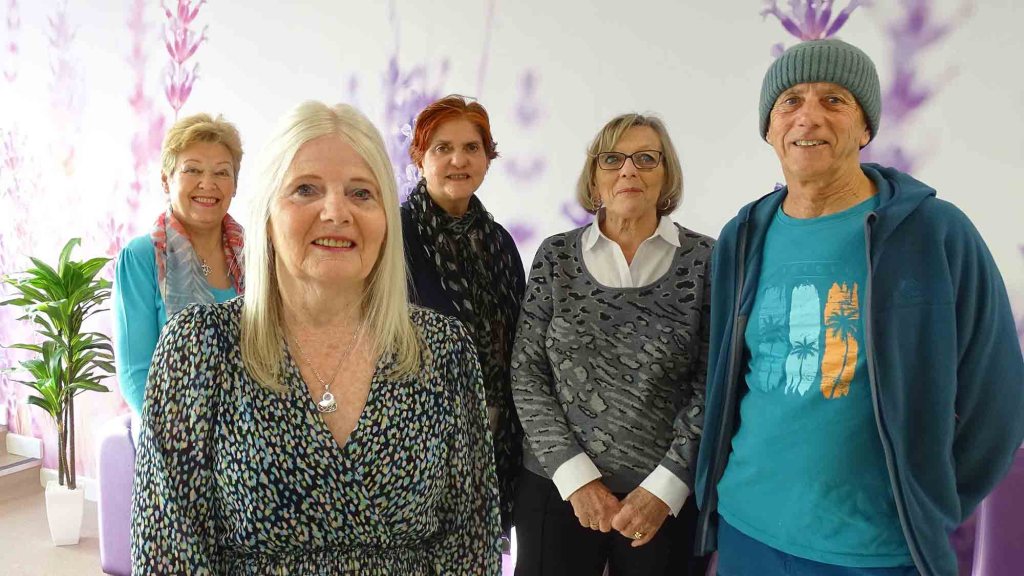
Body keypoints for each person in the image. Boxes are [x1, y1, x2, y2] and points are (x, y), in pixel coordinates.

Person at [694, 39, 1024, 576]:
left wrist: (930, 503)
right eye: (790, 101)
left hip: (875, 552)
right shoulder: (743, 235)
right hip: (747, 529)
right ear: (770, 129)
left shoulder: (935, 233)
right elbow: (725, 378)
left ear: (866, 128)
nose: (808, 117)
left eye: (834, 100)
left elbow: (1001, 399)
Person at [130, 101, 502, 574]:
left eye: (361, 193)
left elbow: (472, 544)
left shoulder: (443, 348)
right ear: (267, 214)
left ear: (386, 219)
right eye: (306, 189)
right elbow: (167, 552)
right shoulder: (199, 346)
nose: (336, 212)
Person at [512, 113, 713, 575]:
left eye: (646, 159)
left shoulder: (706, 260)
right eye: (613, 159)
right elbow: (526, 373)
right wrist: (576, 478)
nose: (628, 171)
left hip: (664, 502)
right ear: (594, 178)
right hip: (555, 488)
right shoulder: (556, 256)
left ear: (666, 175)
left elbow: (712, 382)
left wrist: (666, 487)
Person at [401, 94, 525, 536]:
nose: (459, 160)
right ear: (420, 158)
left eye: (472, 147)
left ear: (487, 158)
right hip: (412, 447)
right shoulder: (393, 237)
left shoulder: (499, 243)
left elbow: (518, 343)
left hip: (491, 448)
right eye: (443, 148)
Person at [112, 112, 245, 416]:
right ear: (166, 180)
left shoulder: (255, 257)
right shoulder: (141, 257)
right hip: (173, 428)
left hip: (251, 428)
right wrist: (182, 434)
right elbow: (135, 376)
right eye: (192, 170)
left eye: (221, 173)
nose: (207, 184)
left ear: (235, 186)